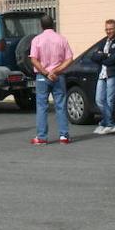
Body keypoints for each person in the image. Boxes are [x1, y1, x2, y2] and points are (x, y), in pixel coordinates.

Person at [29, 15, 75, 144]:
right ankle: (64, 136)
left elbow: (33, 59)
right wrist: (56, 70)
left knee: (41, 106)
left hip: (42, 77)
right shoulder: (62, 39)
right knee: (60, 105)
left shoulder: (36, 40)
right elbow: (69, 58)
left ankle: (42, 137)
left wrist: (45, 72)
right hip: (58, 76)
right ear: (53, 24)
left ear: (41, 26)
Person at [91, 19, 115, 135]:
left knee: (109, 100)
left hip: (113, 74)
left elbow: (114, 60)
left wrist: (102, 57)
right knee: (98, 99)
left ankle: (108, 124)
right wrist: (105, 56)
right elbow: (93, 56)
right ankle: (107, 123)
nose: (109, 31)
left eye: (111, 29)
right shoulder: (103, 42)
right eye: (107, 29)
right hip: (102, 74)